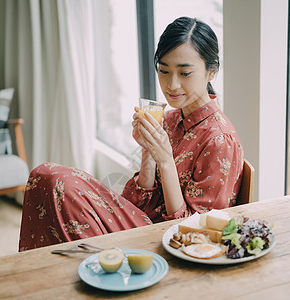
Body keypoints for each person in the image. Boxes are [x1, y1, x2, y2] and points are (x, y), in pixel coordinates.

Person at [19, 16, 244, 251]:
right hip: (143, 225)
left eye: (185, 73)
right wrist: (148, 150)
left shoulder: (219, 140)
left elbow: (195, 234)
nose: (172, 85)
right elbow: (138, 205)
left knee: (60, 184)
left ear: (212, 71)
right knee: (44, 177)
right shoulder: (169, 118)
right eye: (164, 71)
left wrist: (165, 161)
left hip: (167, 245)